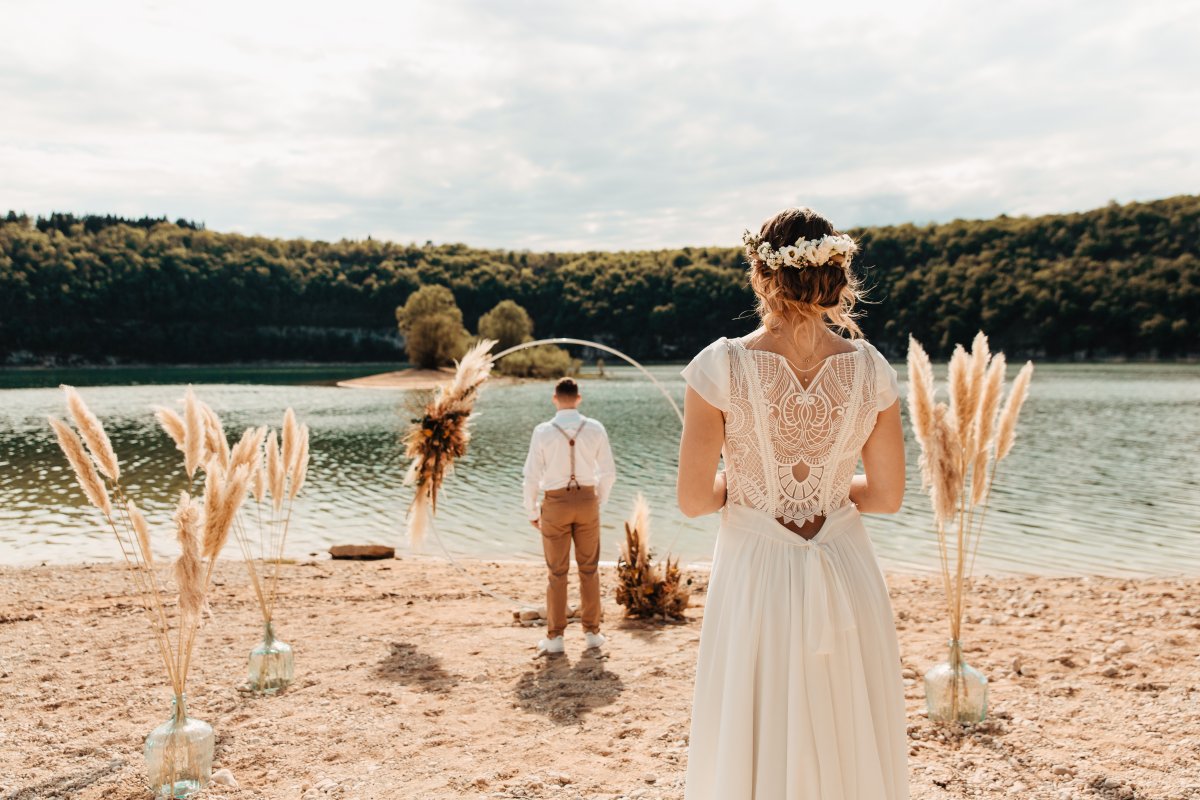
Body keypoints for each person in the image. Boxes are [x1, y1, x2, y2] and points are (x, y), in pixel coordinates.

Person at [677, 207, 909, 798]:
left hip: (756, 570)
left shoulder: (720, 366)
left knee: (756, 730)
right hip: (845, 567)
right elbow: (885, 496)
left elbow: (695, 501)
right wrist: (830, 491)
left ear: (761, 275)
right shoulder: (872, 371)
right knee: (846, 727)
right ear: (837, 279)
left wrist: (748, 484)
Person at [522, 377, 617, 655]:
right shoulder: (595, 428)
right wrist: (598, 499)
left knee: (557, 572)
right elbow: (608, 473)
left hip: (555, 503)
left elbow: (531, 476)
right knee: (589, 570)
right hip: (587, 500)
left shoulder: (542, 431)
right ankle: (592, 634)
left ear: (555, 398)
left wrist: (530, 510)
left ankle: (555, 638)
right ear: (578, 398)